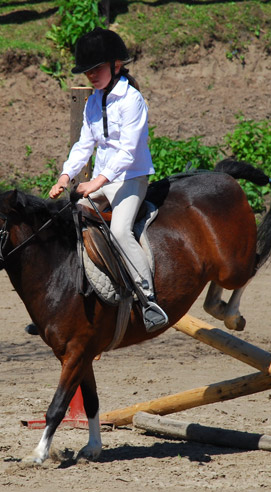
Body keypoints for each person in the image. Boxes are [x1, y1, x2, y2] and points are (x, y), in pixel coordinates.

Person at [48, 28, 168, 332]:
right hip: (103, 180)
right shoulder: (93, 102)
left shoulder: (132, 100)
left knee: (119, 230)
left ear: (116, 65)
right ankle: (69, 301)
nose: (90, 75)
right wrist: (66, 175)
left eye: (96, 69)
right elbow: (83, 145)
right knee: (69, 220)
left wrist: (95, 182)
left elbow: (128, 152)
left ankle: (149, 300)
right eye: (87, 70)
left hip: (131, 179)